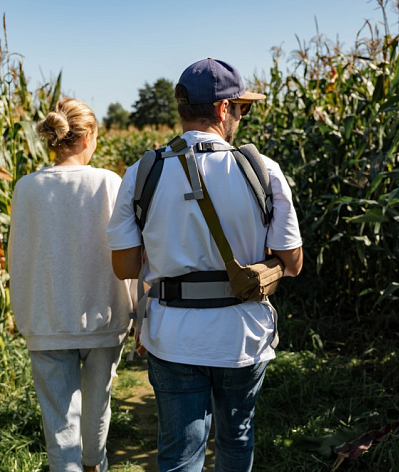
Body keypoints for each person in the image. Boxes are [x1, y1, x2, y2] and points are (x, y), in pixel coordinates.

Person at [107, 58, 303, 471]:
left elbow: (125, 266)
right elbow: (292, 262)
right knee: (236, 442)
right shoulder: (262, 170)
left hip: (173, 335)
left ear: (181, 110)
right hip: (243, 337)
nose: (241, 116)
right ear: (222, 110)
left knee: (180, 454)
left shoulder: (143, 171)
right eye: (241, 108)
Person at [8, 98, 133, 472]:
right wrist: (138, 310)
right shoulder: (110, 183)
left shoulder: (27, 188)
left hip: (46, 316)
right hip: (105, 313)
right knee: (98, 409)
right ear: (87, 136)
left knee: (60, 427)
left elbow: (18, 254)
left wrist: (24, 313)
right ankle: (95, 464)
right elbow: (128, 251)